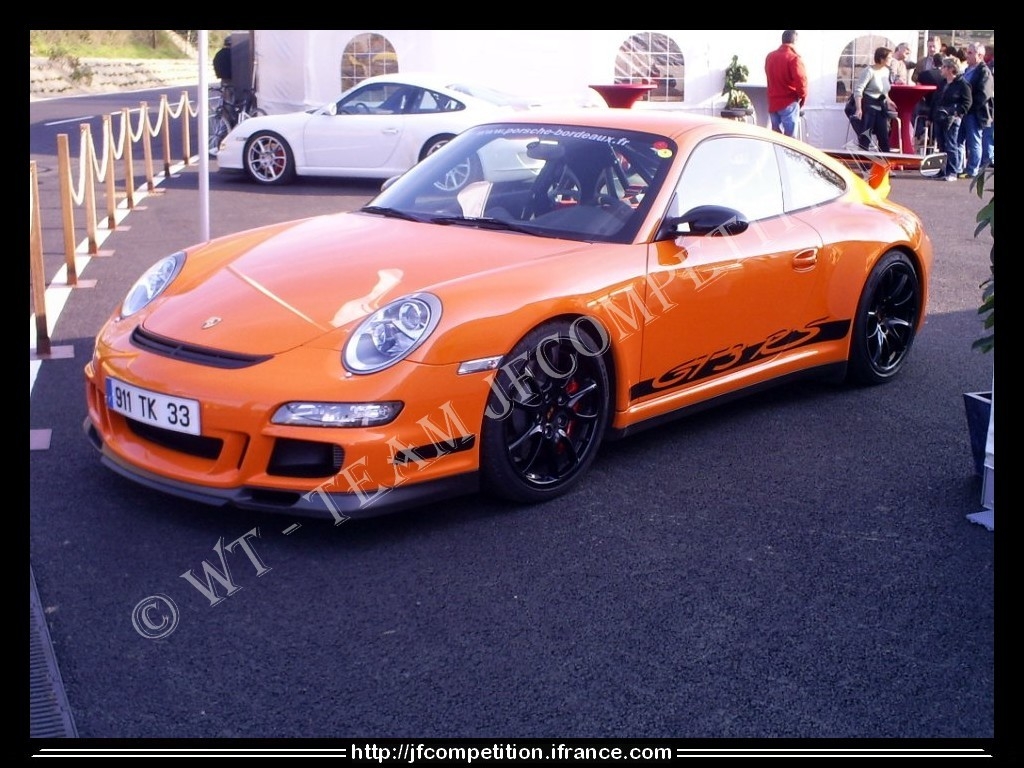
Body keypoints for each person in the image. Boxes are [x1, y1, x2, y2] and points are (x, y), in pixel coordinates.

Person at [930, 56, 972, 180]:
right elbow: (935, 100)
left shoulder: (962, 84)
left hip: (952, 118)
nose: (941, 69)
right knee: (941, 145)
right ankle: (942, 170)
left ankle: (952, 171)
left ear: (951, 69)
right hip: (940, 116)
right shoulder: (943, 83)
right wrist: (930, 116)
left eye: (944, 67)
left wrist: (957, 113)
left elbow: (967, 102)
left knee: (951, 145)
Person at [849, 47, 898, 151]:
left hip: (880, 108)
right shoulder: (869, 71)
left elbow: (884, 90)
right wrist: (859, 109)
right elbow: (858, 90)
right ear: (881, 59)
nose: (891, 60)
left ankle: (885, 160)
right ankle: (863, 160)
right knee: (865, 138)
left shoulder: (886, 71)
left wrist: (889, 100)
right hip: (868, 108)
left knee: (884, 138)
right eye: (889, 58)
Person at [959, 43, 994, 178]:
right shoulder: (967, 70)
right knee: (959, 140)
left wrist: (970, 107)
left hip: (975, 112)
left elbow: (984, 94)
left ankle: (972, 170)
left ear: (979, 55)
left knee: (974, 141)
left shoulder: (984, 72)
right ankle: (958, 167)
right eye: (967, 52)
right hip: (964, 111)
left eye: (970, 53)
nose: (966, 55)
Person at [764, 30, 808, 137]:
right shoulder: (794, 58)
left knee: (776, 138)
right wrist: (802, 98)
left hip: (773, 102)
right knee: (790, 140)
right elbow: (801, 81)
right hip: (788, 102)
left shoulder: (770, 56)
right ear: (795, 41)